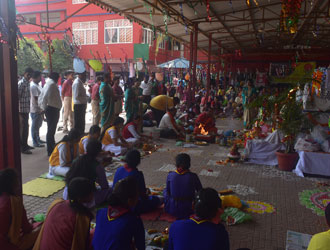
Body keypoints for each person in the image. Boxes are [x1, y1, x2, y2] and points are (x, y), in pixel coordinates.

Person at [33, 177, 94, 250]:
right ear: (80, 198)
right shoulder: (81, 217)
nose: (93, 195)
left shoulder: (56, 203)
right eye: (91, 192)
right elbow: (82, 245)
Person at [93, 177, 145, 250]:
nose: (138, 198)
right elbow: (141, 246)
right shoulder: (134, 220)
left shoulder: (101, 211)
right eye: (137, 195)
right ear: (130, 200)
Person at [0, 169, 41, 250]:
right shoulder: (14, 202)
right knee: (41, 228)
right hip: (7, 245)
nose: (19, 183)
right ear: (11, 185)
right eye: (17, 180)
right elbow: (27, 229)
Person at [113, 149, 162, 214]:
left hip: (116, 202)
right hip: (131, 206)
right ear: (138, 162)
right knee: (159, 199)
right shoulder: (137, 174)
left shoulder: (119, 169)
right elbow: (143, 196)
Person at [65, 139, 111, 206]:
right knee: (109, 191)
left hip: (68, 196)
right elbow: (105, 186)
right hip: (85, 200)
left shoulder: (77, 160)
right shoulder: (97, 166)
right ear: (98, 152)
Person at [164, 153, 202, 219]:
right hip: (188, 210)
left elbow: (168, 192)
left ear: (176, 164)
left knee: (165, 191)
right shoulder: (193, 176)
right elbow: (200, 191)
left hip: (172, 209)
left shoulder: (170, 175)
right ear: (189, 164)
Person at [39, 72, 62, 156]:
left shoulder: (48, 84)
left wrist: (43, 108)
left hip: (52, 108)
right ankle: (50, 150)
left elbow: (42, 97)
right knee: (51, 130)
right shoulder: (51, 84)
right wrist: (43, 109)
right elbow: (44, 97)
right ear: (56, 78)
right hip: (52, 109)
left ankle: (52, 147)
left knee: (51, 130)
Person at [18, 67, 34, 154]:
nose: (29, 76)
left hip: (26, 109)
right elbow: (17, 97)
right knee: (23, 129)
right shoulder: (21, 83)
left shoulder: (28, 83)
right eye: (28, 74)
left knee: (26, 128)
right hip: (21, 110)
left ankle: (26, 144)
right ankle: (23, 148)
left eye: (30, 75)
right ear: (25, 73)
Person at [30, 71, 45, 148]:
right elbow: (36, 99)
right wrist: (39, 109)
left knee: (38, 125)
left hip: (39, 108)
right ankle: (35, 141)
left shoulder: (37, 85)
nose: (41, 78)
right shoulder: (33, 86)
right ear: (36, 77)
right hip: (35, 109)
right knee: (35, 126)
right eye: (40, 77)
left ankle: (38, 139)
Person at [72, 71, 88, 135]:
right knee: (79, 122)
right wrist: (84, 100)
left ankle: (81, 133)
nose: (85, 77)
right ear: (80, 75)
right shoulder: (77, 83)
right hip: (79, 105)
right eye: (84, 75)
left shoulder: (80, 82)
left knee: (81, 121)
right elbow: (76, 96)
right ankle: (78, 135)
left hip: (81, 105)